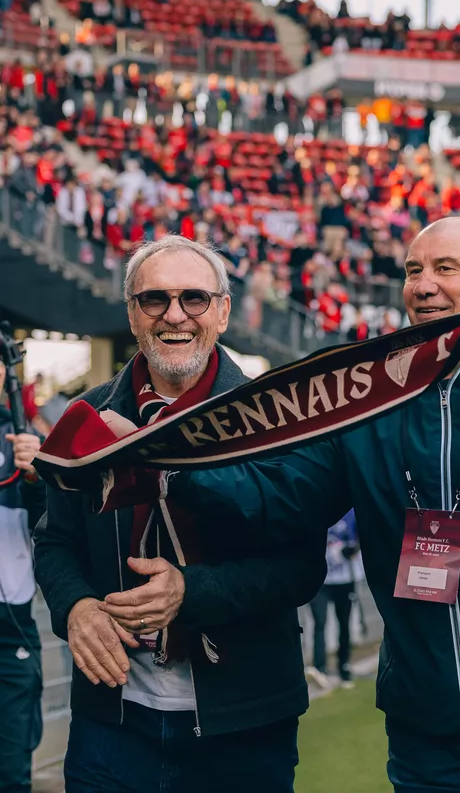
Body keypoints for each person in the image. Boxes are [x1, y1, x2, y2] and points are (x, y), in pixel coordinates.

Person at [144, 215, 460, 792]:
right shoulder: (372, 394)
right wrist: (170, 455)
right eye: (413, 271)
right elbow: (281, 497)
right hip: (427, 735)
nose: (424, 284)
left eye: (446, 268)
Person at [34, 236, 325, 793]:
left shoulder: (276, 419)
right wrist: (75, 606)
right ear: (132, 313)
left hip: (244, 725)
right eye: (154, 300)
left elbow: (301, 567)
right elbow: (55, 542)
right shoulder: (85, 417)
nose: (175, 315)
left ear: (222, 312)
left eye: (194, 298)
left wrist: (191, 590)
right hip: (111, 721)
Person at [0, 360, 44, 793]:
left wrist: (37, 473)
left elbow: (58, 520)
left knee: (12, 772)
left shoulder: (25, 439)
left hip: (11, 631)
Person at [306, 509, 364, 690]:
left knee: (344, 623)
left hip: (344, 578)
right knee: (319, 622)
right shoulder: (314, 507)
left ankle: (343, 666)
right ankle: (319, 668)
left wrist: (352, 549)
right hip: (318, 578)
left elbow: (361, 536)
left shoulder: (351, 513)